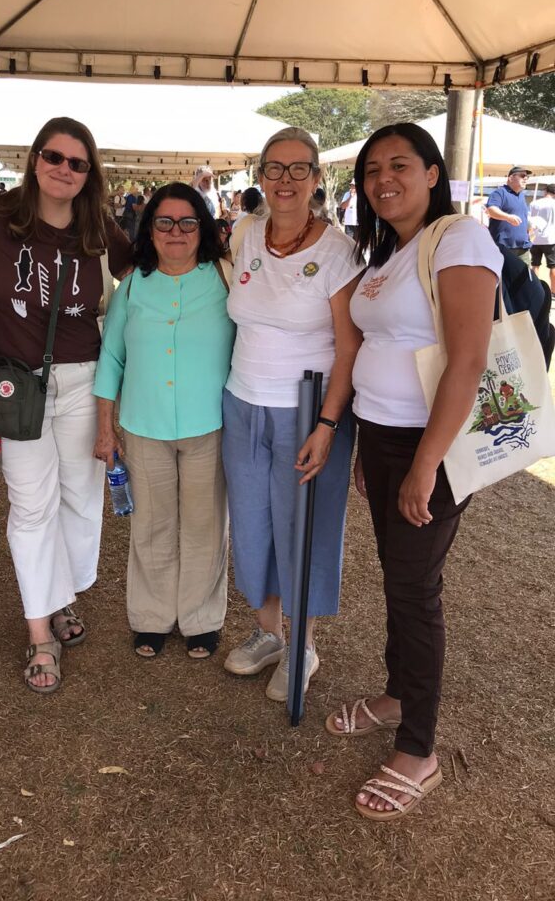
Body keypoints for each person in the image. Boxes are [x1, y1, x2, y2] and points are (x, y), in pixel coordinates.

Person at [326, 123, 502, 821]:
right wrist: (375, 446)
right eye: (371, 171)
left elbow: (467, 360)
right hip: (384, 438)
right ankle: (398, 694)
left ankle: (418, 749)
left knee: (415, 589)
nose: (381, 179)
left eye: (399, 164)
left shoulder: (457, 237)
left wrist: (425, 464)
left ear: (434, 173)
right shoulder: (392, 251)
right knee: (401, 583)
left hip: (432, 446)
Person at [0, 117, 133, 694]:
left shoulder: (99, 227)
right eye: (54, 157)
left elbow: (146, 272)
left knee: (82, 502)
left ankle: (64, 596)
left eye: (77, 163)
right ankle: (41, 632)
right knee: (32, 506)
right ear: (35, 160)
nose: (64, 169)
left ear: (90, 174)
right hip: (18, 384)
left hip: (85, 381)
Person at [221, 127, 363, 703]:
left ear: (317, 178)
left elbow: (349, 346)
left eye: (297, 169)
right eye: (273, 169)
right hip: (241, 402)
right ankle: (267, 633)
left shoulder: (339, 251)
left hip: (307, 411)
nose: (284, 180)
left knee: (303, 527)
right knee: (252, 525)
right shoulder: (245, 233)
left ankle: (302, 644)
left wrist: (328, 425)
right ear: (260, 176)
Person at [93, 183, 235, 659]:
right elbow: (111, 358)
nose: (176, 232)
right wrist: (104, 427)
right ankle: (152, 618)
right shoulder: (133, 284)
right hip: (143, 425)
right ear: (149, 229)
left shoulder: (225, 277)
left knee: (205, 525)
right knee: (151, 525)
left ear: (204, 229)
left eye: (188, 222)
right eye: (165, 222)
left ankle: (201, 619)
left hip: (209, 426)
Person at [485, 166, 532, 264]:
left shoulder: (522, 196)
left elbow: (523, 217)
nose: (526, 179)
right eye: (522, 176)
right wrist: (508, 217)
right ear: (510, 177)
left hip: (523, 247)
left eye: (527, 177)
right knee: (503, 278)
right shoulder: (499, 193)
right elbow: (491, 210)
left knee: (525, 278)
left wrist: (529, 227)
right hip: (504, 246)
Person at [529, 184, 555, 293]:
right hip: (551, 238)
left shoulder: (534, 203)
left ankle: (535, 290)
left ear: (545, 191)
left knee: (535, 265)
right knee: (553, 266)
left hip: (535, 238)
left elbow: (530, 221)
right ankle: (553, 291)